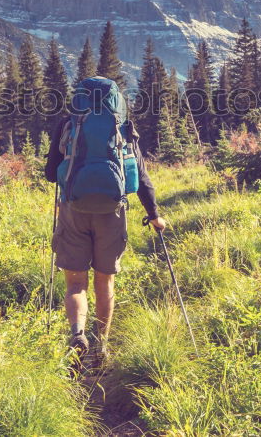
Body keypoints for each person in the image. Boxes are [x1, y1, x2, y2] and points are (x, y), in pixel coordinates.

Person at [44, 81, 166, 362]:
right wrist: (154, 214)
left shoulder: (68, 124)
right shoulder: (123, 128)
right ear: (115, 101)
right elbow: (141, 177)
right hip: (112, 210)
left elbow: (52, 174)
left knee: (75, 282)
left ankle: (77, 334)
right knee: (105, 280)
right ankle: (102, 346)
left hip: (73, 208)